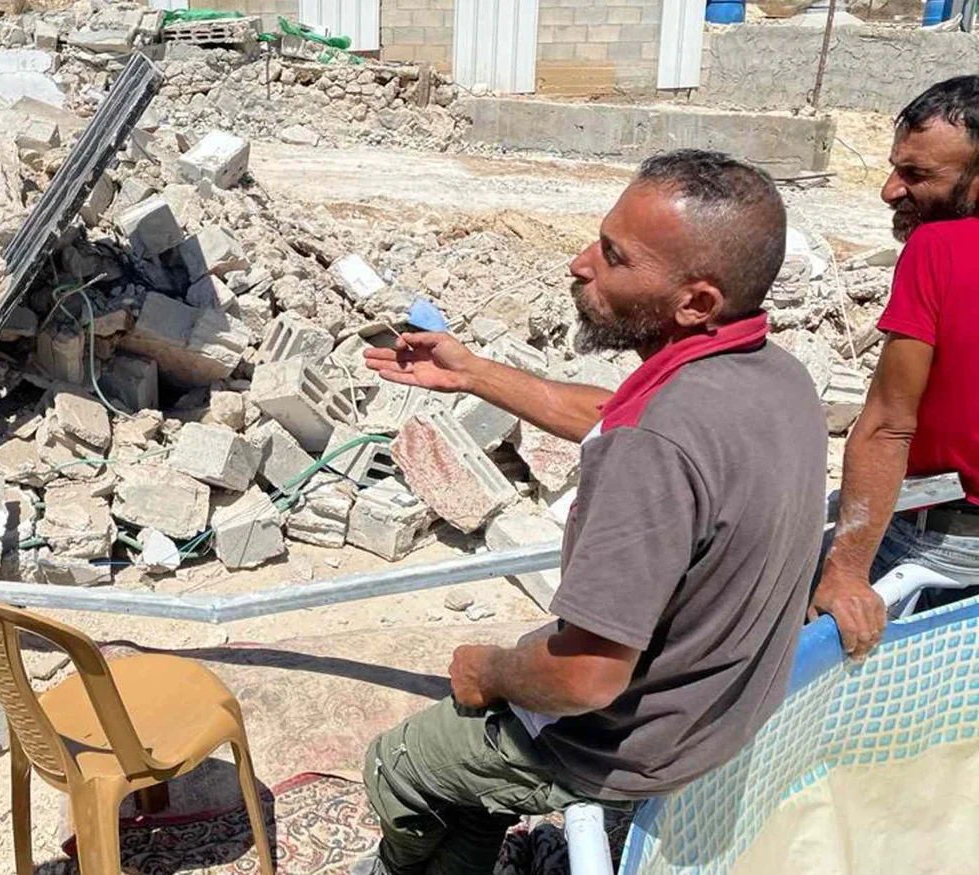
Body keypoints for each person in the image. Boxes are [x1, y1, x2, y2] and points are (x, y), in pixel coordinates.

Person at [355, 149, 827, 875]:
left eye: (613, 257)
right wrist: (473, 371)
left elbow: (587, 678)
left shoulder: (653, 448)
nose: (580, 263)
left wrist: (490, 668)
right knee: (477, 761)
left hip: (635, 745)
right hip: (725, 708)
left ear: (695, 302)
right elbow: (614, 416)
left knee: (401, 764)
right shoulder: (772, 375)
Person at [810, 76, 979, 659]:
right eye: (895, 167)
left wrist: (848, 573)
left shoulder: (940, 251)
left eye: (917, 176)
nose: (889, 190)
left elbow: (888, 425)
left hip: (941, 551)